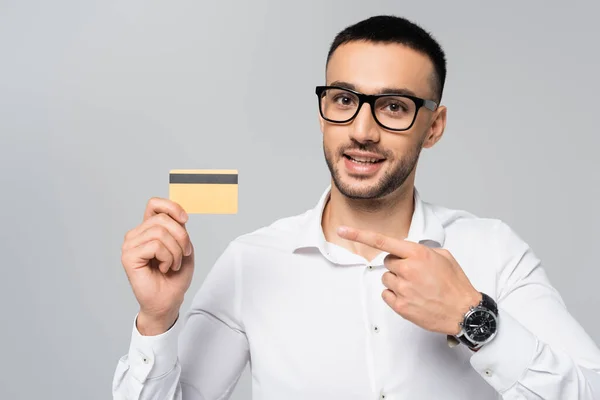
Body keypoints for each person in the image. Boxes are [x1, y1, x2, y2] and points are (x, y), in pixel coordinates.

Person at [112, 15, 600, 400]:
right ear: (322, 113)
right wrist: (156, 320)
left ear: (434, 126)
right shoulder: (252, 262)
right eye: (344, 99)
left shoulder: (493, 251)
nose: (362, 130)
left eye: (393, 106)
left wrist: (473, 318)